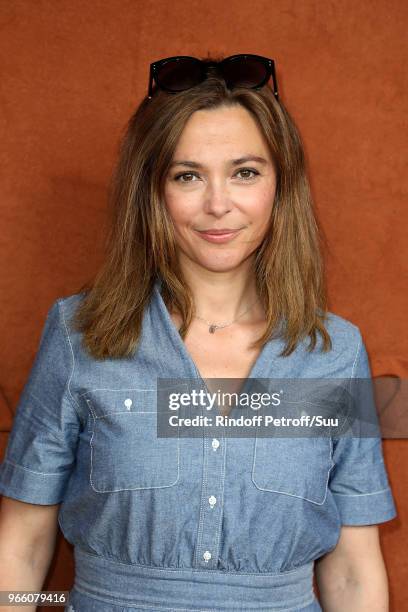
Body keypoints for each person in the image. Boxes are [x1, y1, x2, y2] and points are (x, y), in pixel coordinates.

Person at [0, 53, 397, 612]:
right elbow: (22, 543)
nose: (218, 205)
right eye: (188, 176)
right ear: (153, 192)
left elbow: (354, 570)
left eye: (245, 172)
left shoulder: (332, 353)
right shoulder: (78, 336)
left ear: (281, 187)